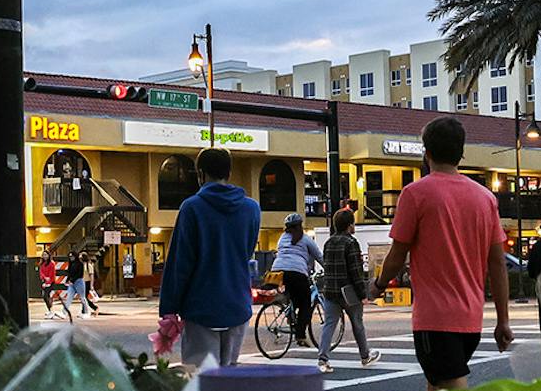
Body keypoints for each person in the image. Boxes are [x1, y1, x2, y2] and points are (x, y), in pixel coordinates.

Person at [372, 116, 513, 391]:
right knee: (437, 390)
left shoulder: (415, 194)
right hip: (471, 321)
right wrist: (503, 320)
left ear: (427, 153)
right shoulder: (485, 198)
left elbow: (397, 254)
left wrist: (377, 285)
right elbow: (497, 264)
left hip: (434, 320)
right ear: (461, 152)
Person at [157, 146, 262, 367]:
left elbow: (180, 263)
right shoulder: (252, 209)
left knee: (200, 383)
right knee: (228, 381)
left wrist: (169, 308)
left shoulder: (192, 208)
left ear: (201, 174)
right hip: (237, 304)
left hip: (201, 307)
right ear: (229, 173)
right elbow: (247, 251)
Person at [317, 209, 381, 374]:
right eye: (353, 223)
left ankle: (323, 359)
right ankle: (365, 356)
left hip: (330, 291)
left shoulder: (328, 243)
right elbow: (356, 272)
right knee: (357, 324)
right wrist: (363, 295)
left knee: (329, 324)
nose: (354, 226)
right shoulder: (351, 243)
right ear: (348, 225)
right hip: (348, 292)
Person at [273, 212, 323, 347]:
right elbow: (319, 256)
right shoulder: (305, 239)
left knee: (295, 297)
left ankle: (289, 313)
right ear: (300, 226)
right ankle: (300, 335)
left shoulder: (282, 238)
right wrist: (328, 268)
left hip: (279, 271)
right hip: (297, 272)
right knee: (306, 304)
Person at [63, 246, 90, 319]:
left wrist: (72, 280)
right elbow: (69, 273)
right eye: (70, 257)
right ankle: (64, 312)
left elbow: (80, 274)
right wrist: (67, 280)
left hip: (79, 282)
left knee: (82, 298)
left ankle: (87, 312)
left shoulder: (80, 264)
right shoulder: (71, 264)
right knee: (69, 298)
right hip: (72, 283)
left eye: (72, 256)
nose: (71, 258)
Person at [38, 249, 59, 319]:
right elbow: (41, 272)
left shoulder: (52, 263)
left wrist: (48, 282)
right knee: (45, 296)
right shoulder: (42, 263)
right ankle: (50, 310)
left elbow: (52, 274)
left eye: (46, 255)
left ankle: (51, 311)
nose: (45, 256)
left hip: (51, 282)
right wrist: (44, 279)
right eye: (43, 255)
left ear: (49, 255)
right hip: (44, 282)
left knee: (46, 296)